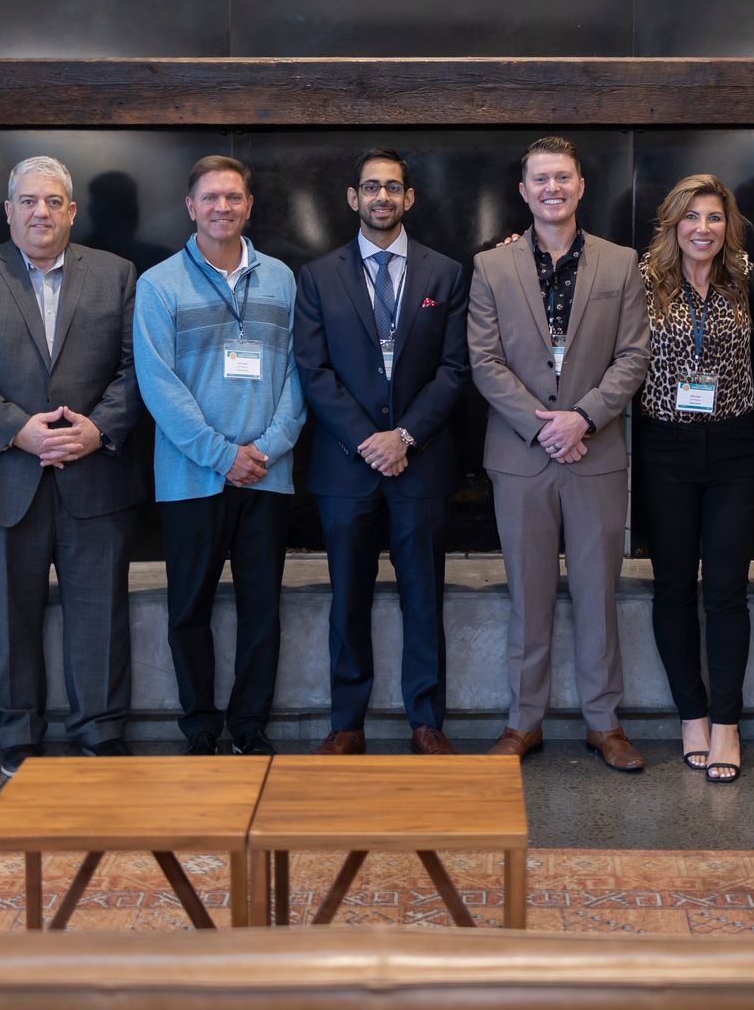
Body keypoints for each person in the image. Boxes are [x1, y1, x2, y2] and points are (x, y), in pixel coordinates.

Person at [0, 156, 144, 778]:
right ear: (9, 210)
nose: (40, 213)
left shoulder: (116, 275)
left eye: (53, 202)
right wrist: (16, 430)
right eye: (28, 201)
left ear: (71, 212)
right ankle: (18, 734)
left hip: (94, 470)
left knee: (100, 613)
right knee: (4, 613)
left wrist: (98, 427)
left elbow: (139, 367)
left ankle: (101, 731)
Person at [468, 136, 653, 773]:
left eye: (563, 178)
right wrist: (542, 426)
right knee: (529, 593)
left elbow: (634, 355)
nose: (553, 188)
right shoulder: (491, 267)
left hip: (595, 452)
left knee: (600, 592)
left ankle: (605, 722)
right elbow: (484, 362)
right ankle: (524, 721)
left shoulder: (620, 263)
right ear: (523, 191)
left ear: (580, 186)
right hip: (522, 457)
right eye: (540, 179)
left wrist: (583, 419)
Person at [294, 149, 470, 756]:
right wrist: (369, 441)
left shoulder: (444, 274)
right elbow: (313, 372)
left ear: (410, 198)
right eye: (371, 187)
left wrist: (405, 437)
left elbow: (454, 370)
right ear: (352, 197)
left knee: (424, 596)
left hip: (420, 463)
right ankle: (347, 722)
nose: (382, 198)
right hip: (346, 468)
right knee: (349, 597)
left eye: (393, 188)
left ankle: (427, 720)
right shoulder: (317, 276)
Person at [134, 155, 305, 757]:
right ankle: (201, 727)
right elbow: (158, 386)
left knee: (262, 609)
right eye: (210, 198)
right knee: (189, 612)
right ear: (190, 206)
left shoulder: (284, 279)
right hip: (190, 478)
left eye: (233, 197)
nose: (222, 208)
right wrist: (220, 454)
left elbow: (298, 374)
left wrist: (266, 447)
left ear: (249, 206)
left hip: (267, 474)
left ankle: (250, 725)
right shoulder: (158, 285)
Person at [634, 175, 754, 784]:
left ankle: (729, 723)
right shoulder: (641, 281)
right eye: (691, 217)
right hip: (666, 449)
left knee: (728, 590)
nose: (702, 229)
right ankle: (692, 714)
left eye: (713, 217)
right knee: (675, 587)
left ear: (726, 225)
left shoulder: (749, 280)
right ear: (672, 224)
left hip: (736, 449)